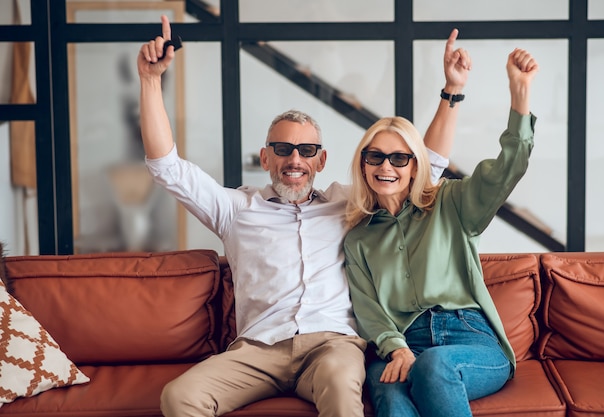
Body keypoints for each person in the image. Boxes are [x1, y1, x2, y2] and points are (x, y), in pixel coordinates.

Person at [137, 14, 471, 417]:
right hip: (257, 350)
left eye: (306, 151)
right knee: (179, 396)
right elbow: (166, 167)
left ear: (321, 160)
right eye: (282, 149)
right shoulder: (235, 209)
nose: (294, 160)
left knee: (340, 385)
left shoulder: (349, 203)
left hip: (332, 347)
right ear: (265, 157)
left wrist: (451, 91)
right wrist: (151, 81)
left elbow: (422, 167)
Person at [343, 48, 539, 417]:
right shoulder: (358, 240)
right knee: (389, 395)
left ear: (416, 165)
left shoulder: (451, 203)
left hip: (470, 338)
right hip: (403, 343)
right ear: (363, 164)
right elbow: (369, 312)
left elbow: (506, 171)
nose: (387, 166)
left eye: (399, 158)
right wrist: (396, 348)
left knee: (434, 367)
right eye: (376, 156)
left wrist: (519, 96)